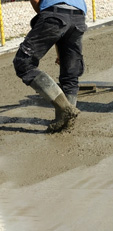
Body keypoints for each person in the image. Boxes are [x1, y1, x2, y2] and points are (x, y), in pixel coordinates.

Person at [13, 0, 87, 132]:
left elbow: (41, 7)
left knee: (23, 62)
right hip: (78, 16)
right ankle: (66, 123)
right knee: (70, 74)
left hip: (54, 14)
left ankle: (65, 109)